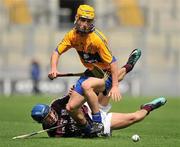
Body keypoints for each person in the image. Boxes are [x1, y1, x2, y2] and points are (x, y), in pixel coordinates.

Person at [48, 4, 141, 132]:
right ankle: (88, 131)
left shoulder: (97, 39)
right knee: (71, 107)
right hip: (91, 71)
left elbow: (113, 63)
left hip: (105, 72)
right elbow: (56, 52)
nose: (85, 24)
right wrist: (53, 68)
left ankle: (97, 122)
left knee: (87, 86)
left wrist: (115, 86)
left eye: (89, 21)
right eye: (83, 20)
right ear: (76, 18)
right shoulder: (71, 36)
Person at [31, 94, 167, 138]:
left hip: (91, 109)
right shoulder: (54, 133)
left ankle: (128, 66)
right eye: (47, 118)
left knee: (106, 88)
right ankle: (149, 106)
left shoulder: (56, 104)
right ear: (42, 122)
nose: (51, 117)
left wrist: (72, 92)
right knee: (135, 118)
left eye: (50, 114)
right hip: (98, 125)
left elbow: (73, 97)